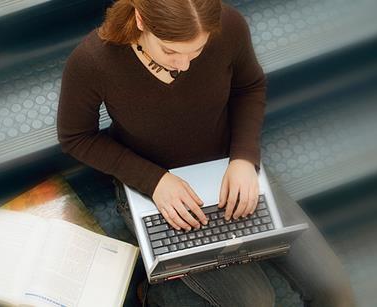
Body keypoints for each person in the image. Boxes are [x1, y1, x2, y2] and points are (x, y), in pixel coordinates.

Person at [57, 0, 356, 306]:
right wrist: (155, 180)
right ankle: (163, 293)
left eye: (196, 50)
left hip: (228, 166)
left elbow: (249, 86)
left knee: (334, 287)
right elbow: (76, 137)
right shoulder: (93, 61)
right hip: (150, 183)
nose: (184, 65)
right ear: (141, 20)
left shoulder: (229, 26)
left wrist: (243, 158)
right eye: (170, 51)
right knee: (254, 301)